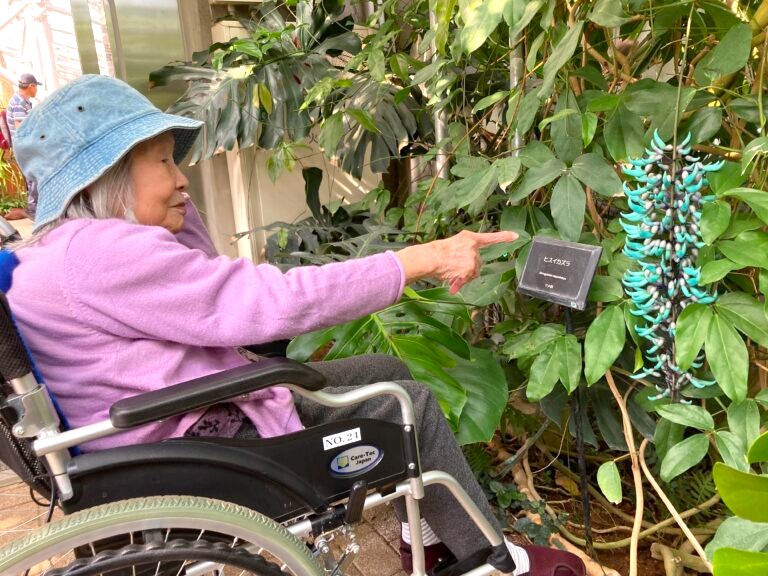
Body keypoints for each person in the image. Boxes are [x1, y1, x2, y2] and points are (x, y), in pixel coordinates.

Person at [9, 75, 585, 576]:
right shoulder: (101, 254)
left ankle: (430, 539)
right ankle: (493, 564)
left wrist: (168, 207)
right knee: (407, 406)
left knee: (384, 367)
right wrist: (419, 259)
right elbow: (266, 304)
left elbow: (205, 284)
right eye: (163, 160)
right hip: (196, 446)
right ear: (108, 173)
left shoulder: (61, 254)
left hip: (151, 435)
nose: (181, 178)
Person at [7, 73, 42, 218]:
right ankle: (33, 209)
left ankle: (35, 208)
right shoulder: (18, 103)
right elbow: (21, 128)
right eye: (36, 87)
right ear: (31, 86)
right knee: (35, 174)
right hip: (24, 146)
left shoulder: (23, 102)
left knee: (34, 175)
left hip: (25, 146)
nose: (37, 90)